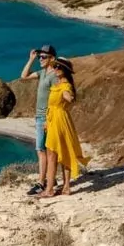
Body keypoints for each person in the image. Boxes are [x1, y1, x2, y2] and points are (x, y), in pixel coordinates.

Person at [39, 57, 88, 197]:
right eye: (54, 66)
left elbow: (69, 96)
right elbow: (51, 106)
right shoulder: (57, 84)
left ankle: (49, 190)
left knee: (53, 154)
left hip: (60, 120)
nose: (55, 69)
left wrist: (69, 97)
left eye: (58, 67)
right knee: (60, 152)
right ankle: (66, 187)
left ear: (64, 71)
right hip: (53, 120)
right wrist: (46, 122)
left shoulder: (65, 86)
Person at [20, 44, 58, 195]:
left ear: (52, 58)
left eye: (44, 57)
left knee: (42, 150)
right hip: (39, 117)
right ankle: (50, 179)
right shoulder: (42, 73)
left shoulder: (54, 76)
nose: (40, 59)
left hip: (46, 118)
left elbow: (56, 98)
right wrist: (31, 59)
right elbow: (24, 76)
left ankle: (42, 183)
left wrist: (49, 119)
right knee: (44, 150)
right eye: (40, 56)